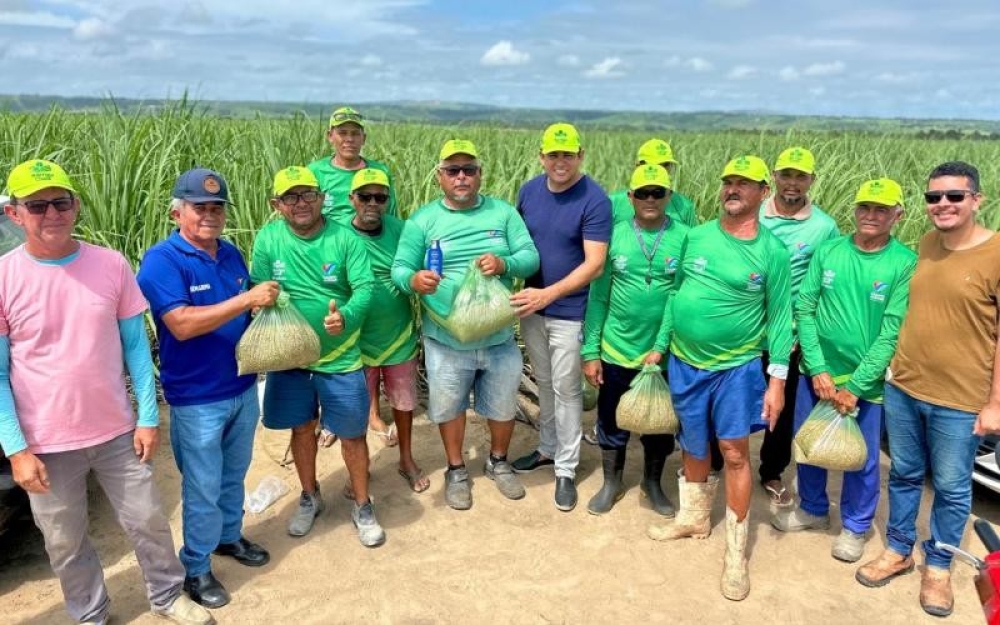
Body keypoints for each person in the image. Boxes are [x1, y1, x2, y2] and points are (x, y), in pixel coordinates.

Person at [0, 160, 212, 624]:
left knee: (148, 521)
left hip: (116, 432)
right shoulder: (3, 277)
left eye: (61, 201)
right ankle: (90, 613)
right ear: (15, 215)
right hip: (45, 442)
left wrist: (148, 417)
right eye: (37, 205)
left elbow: (136, 347)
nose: (51, 213)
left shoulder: (110, 264)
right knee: (64, 540)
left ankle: (168, 595)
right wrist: (16, 449)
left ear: (75, 206)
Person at [856, 162, 999, 617]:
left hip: (960, 399)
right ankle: (899, 550)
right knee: (903, 473)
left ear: (977, 199)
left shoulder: (996, 252)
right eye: (934, 197)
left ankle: (938, 566)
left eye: (954, 196)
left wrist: (995, 403)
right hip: (905, 387)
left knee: (954, 488)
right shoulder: (925, 244)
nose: (942, 205)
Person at [647, 155, 792, 602]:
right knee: (692, 442)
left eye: (744, 184)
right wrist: (661, 342)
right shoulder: (696, 237)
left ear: (762, 193)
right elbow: (676, 295)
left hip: (737, 367)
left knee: (732, 452)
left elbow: (782, 320)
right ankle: (693, 518)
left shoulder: (773, 252)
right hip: (685, 362)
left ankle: (735, 552)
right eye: (728, 181)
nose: (733, 189)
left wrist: (777, 382)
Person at [137, 168, 280, 608]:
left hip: (240, 386)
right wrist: (245, 301)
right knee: (202, 484)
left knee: (233, 474)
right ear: (176, 211)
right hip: (197, 398)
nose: (210, 215)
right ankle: (196, 569)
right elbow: (179, 324)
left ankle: (228, 537)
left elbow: (243, 312)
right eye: (200, 207)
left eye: (217, 208)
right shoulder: (163, 260)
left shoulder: (231, 254)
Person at [772, 178, 915, 564]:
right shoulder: (830, 250)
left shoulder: (903, 262)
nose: (871, 216)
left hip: (864, 384)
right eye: (864, 207)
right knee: (809, 444)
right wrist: (817, 369)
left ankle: (856, 525)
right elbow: (805, 307)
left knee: (863, 458)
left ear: (897, 215)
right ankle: (814, 509)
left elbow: (891, 331)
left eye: (881, 209)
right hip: (818, 375)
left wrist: (856, 384)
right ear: (854, 210)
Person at [391, 139, 539, 511]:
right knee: (449, 405)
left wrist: (504, 264)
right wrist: (414, 280)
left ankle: (498, 461)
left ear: (479, 175)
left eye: (468, 170)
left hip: (498, 335)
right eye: (453, 170)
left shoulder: (503, 214)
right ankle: (456, 468)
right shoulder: (423, 220)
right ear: (440, 176)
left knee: (502, 405)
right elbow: (400, 268)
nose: (461, 177)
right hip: (445, 339)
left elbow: (530, 258)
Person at [250, 165, 383, 546]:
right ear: (276, 204)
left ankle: (362, 503)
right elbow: (259, 285)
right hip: (291, 356)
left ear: (323, 197)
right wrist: (261, 304)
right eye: (290, 197)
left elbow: (365, 288)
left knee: (353, 434)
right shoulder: (269, 238)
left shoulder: (345, 238)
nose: (301, 203)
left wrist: (347, 316)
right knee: (301, 427)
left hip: (339, 356)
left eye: (308, 193)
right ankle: (310, 497)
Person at [509, 123, 612, 512]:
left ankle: (567, 469)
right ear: (542, 157)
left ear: (580, 156)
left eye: (568, 155)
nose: (560, 162)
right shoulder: (529, 191)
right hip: (532, 308)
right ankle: (548, 449)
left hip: (569, 312)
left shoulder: (594, 199)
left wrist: (547, 294)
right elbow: (516, 243)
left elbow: (595, 264)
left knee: (567, 390)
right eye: (553, 155)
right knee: (546, 382)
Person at [581, 164, 689, 516]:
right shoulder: (614, 236)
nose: (650, 199)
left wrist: (660, 345)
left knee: (660, 421)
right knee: (611, 418)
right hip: (617, 347)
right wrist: (591, 350)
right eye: (642, 193)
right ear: (630, 197)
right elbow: (598, 297)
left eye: (658, 192)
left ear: (669, 197)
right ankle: (611, 482)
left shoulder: (686, 238)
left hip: (666, 352)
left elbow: (679, 297)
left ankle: (653, 483)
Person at [756, 147, 840, 506]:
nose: (792, 183)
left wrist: (805, 333)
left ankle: (771, 471)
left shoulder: (823, 227)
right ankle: (715, 462)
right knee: (731, 397)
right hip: (744, 328)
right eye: (786, 174)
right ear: (774, 176)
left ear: (812, 181)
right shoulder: (754, 212)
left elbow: (825, 284)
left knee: (782, 406)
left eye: (801, 176)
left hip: (788, 335)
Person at [347, 168, 428, 493]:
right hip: (355, 337)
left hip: (398, 333)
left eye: (380, 197)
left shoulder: (402, 229)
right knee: (356, 408)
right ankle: (362, 466)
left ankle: (406, 458)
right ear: (351, 199)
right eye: (365, 196)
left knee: (404, 403)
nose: (372, 203)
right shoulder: (339, 234)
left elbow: (418, 269)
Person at [307, 106, 397, 225]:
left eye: (355, 134)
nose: (349, 139)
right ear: (330, 136)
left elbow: (391, 215)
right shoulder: (315, 171)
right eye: (342, 133)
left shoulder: (380, 171)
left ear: (363, 138)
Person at [608, 138, 698, 227]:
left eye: (666, 165)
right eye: (657, 166)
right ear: (638, 165)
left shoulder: (684, 206)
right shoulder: (613, 203)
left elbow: (694, 240)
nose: (660, 171)